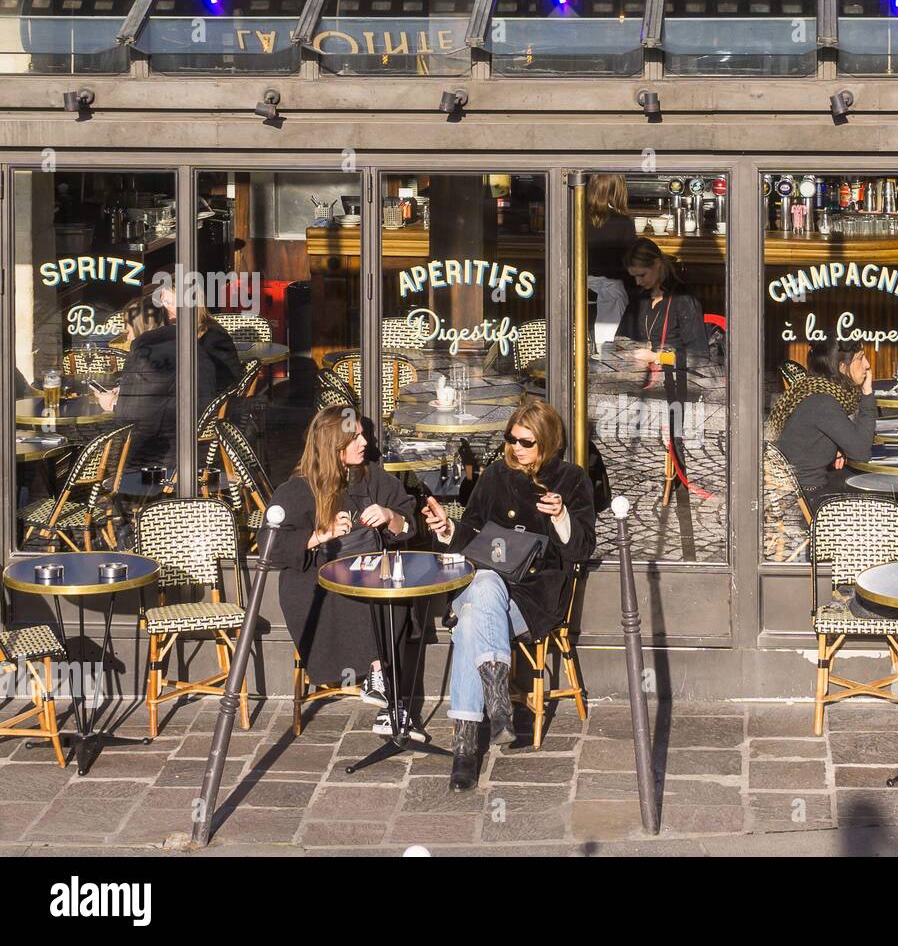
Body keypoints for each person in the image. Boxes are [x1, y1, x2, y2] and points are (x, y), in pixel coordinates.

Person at [423, 399, 595, 792]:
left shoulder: (570, 479)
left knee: (470, 624)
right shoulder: (495, 475)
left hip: (532, 597)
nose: (516, 448)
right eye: (511, 439)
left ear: (547, 443)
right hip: (482, 584)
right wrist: (447, 529)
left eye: (526, 442)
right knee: (484, 585)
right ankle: (498, 706)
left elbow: (582, 550)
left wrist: (560, 517)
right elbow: (472, 536)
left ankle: (466, 746)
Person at [263, 406, 420, 738]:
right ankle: (384, 684)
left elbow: (409, 520)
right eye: (356, 437)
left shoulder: (374, 478)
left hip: (374, 578)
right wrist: (322, 534)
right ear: (335, 446)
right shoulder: (298, 489)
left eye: (364, 434)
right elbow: (270, 545)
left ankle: (386, 692)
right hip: (315, 588)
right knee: (357, 590)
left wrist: (389, 515)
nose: (365, 442)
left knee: (392, 595)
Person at [624, 238, 708, 494]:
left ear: (658, 265)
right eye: (634, 277)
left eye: (642, 275)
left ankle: (678, 482)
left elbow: (698, 356)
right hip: (650, 384)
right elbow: (623, 338)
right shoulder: (639, 299)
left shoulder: (683, 300)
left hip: (678, 385)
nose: (638, 282)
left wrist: (656, 357)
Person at [94, 299, 215, 469]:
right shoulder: (188, 344)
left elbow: (133, 418)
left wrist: (111, 403)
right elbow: (164, 393)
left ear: (138, 327)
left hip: (160, 457)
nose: (126, 335)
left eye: (127, 328)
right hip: (202, 448)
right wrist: (128, 390)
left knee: (100, 448)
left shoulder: (146, 355)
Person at [769, 340, 876, 504]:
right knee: (877, 487)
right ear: (842, 367)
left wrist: (836, 447)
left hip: (800, 488)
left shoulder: (814, 390)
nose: (867, 365)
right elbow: (861, 453)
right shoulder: (823, 402)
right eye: (861, 358)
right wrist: (867, 394)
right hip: (808, 497)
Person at [156, 283, 242, 400]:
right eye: (162, 303)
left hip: (211, 405)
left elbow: (223, 382)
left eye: (169, 303)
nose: (164, 309)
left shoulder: (212, 335)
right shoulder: (174, 331)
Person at [586, 174, 636, 354]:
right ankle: (605, 351)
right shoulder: (622, 222)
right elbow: (630, 263)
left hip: (580, 284)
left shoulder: (576, 214)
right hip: (611, 286)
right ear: (618, 190)